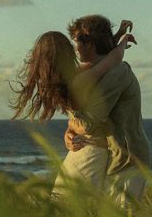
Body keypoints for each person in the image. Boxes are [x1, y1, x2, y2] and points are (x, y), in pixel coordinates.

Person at [10, 24, 135, 194]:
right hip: (90, 149)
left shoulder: (54, 84)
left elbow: (102, 59)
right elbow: (111, 60)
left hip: (85, 147)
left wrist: (117, 36)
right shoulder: (82, 77)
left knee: (65, 203)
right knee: (68, 204)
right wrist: (122, 41)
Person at [64, 14, 152, 207]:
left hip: (129, 160)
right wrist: (69, 133)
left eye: (77, 41)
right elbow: (87, 117)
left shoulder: (116, 73)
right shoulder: (99, 71)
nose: (75, 47)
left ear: (89, 44)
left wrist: (73, 125)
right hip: (114, 158)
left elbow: (88, 122)